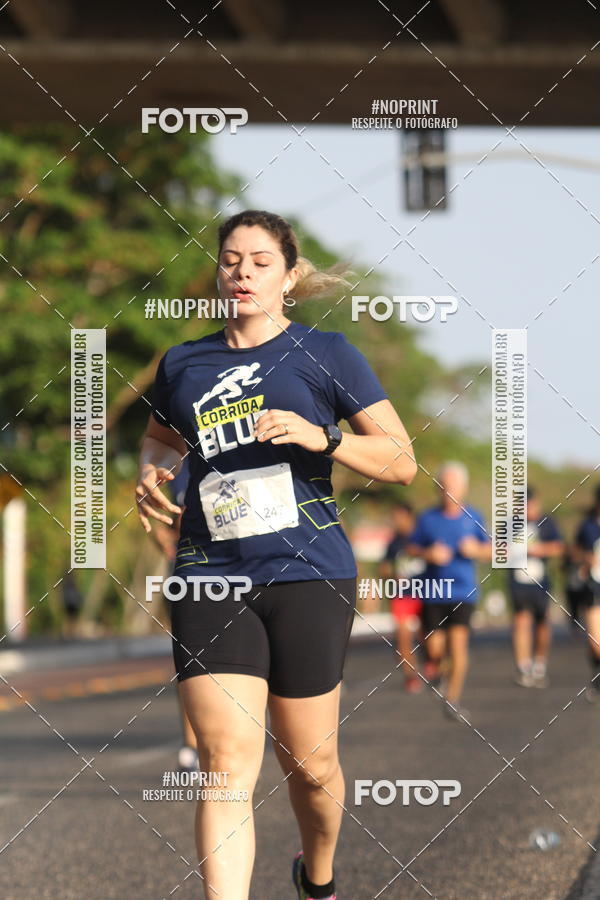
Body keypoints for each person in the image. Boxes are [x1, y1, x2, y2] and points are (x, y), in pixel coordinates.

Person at [135, 209, 417, 900]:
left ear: (289, 277)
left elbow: (402, 460)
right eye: (231, 259)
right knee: (226, 761)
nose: (243, 273)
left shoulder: (328, 355)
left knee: (313, 767)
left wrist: (323, 438)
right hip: (209, 572)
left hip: (309, 573)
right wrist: (149, 474)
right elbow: (160, 441)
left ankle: (316, 875)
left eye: (261, 262)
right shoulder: (185, 362)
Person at [407, 461, 491, 722]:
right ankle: (438, 670)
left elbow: (492, 551)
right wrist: (427, 553)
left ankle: (452, 700)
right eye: (445, 485)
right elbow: (411, 548)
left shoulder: (474, 517)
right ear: (438, 488)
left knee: (459, 648)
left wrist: (475, 550)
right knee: (434, 649)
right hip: (433, 592)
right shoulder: (427, 518)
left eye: (454, 485)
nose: (449, 490)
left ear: (463, 488)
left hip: (464, 592)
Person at [508, 487, 563, 688]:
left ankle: (539, 665)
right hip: (518, 580)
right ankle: (523, 666)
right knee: (521, 622)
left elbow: (558, 547)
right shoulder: (510, 524)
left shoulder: (547, 523)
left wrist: (539, 550)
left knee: (542, 622)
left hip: (541, 581)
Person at [379, 500, 425, 693]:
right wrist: (391, 573)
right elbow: (384, 568)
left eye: (398, 517)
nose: (395, 521)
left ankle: (434, 664)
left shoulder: (423, 538)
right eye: (393, 517)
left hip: (427, 593)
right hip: (402, 596)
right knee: (403, 637)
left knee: (432, 640)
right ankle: (411, 677)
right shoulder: (393, 543)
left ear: (409, 517)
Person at [574, 485, 600, 703]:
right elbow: (573, 552)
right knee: (595, 639)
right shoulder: (588, 527)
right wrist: (585, 559)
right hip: (593, 588)